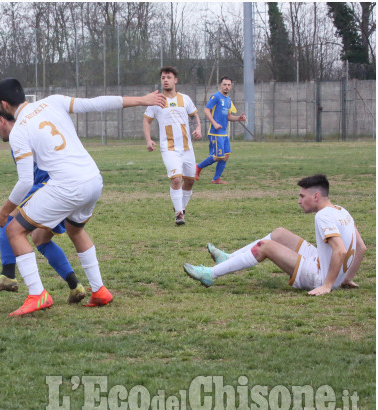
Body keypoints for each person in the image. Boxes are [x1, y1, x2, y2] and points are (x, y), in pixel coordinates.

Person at [0, 78, 166, 316]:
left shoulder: (19, 129)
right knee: (73, 230)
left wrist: (3, 212)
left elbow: (25, 182)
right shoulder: (53, 101)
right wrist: (141, 100)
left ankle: (37, 294)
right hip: (93, 179)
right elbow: (97, 103)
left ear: (3, 104)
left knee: (14, 231)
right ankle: (99, 290)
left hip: (66, 186)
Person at [184, 175, 366, 296]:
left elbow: (340, 251)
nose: (299, 201)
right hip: (327, 268)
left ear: (316, 196)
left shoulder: (323, 215)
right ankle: (228, 258)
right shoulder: (342, 211)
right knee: (279, 234)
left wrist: (327, 285)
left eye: (302, 196)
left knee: (265, 246)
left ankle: (210, 274)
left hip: (320, 276)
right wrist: (346, 279)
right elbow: (361, 247)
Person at [0, 105, 86, 303]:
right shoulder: (29, 129)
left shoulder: (20, 135)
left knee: (8, 222)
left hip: (48, 186)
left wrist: (6, 211)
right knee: (41, 240)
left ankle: (8, 275)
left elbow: (27, 180)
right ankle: (75, 286)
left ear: (2, 121)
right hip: (64, 186)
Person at [143, 66, 202, 225]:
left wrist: (198, 128)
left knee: (189, 181)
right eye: (163, 77)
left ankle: (181, 208)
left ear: (175, 80)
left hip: (187, 148)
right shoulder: (157, 100)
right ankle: (179, 214)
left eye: (168, 77)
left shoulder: (185, 99)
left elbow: (194, 115)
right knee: (176, 179)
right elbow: (147, 120)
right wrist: (148, 140)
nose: (165, 80)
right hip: (169, 148)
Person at [195, 76, 246, 184]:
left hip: (224, 133)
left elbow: (228, 116)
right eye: (224, 84)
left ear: (231, 86)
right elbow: (206, 110)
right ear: (220, 85)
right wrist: (214, 123)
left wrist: (238, 118)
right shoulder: (216, 96)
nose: (226, 87)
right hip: (215, 132)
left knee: (226, 156)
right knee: (218, 156)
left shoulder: (228, 100)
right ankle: (198, 167)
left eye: (228, 85)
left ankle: (216, 179)